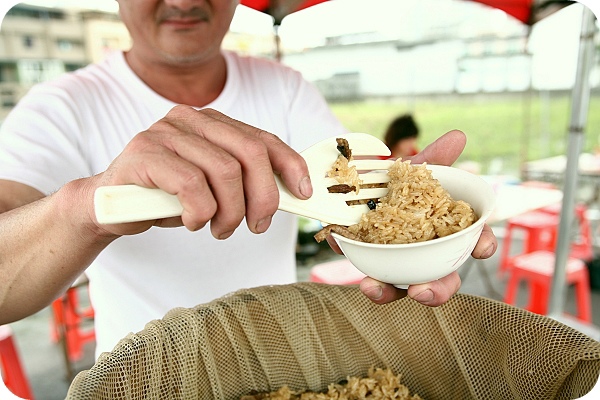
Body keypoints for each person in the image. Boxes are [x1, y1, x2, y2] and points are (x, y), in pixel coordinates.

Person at [0, 0, 497, 358]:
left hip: (283, 365)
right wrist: (83, 208)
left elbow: (350, 198)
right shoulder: (61, 106)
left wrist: (412, 238)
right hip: (143, 378)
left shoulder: (283, 88)